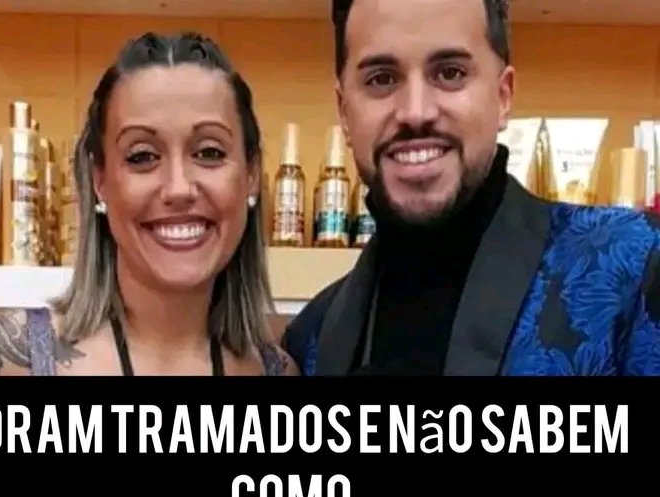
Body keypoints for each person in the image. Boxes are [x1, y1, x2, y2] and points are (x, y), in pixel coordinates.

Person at [281, 0, 660, 376]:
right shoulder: (311, 337)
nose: (415, 112)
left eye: (450, 73)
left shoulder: (635, 266)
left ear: (503, 96)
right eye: (381, 79)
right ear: (344, 112)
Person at [0, 31, 298, 376]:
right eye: (142, 156)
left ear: (252, 174)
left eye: (209, 152)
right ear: (100, 181)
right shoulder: (12, 361)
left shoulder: (275, 370)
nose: (178, 188)